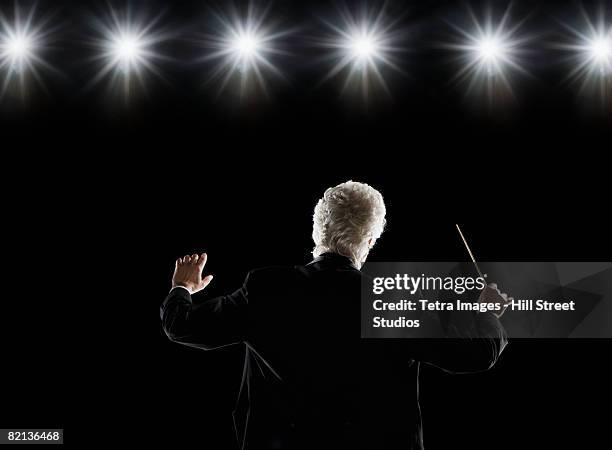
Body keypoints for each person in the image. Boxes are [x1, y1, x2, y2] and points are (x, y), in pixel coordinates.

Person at [160, 181, 509, 450]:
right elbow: (477, 353)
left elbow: (181, 326)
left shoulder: (266, 287)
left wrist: (182, 288)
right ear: (370, 241)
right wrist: (487, 313)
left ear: (317, 230)